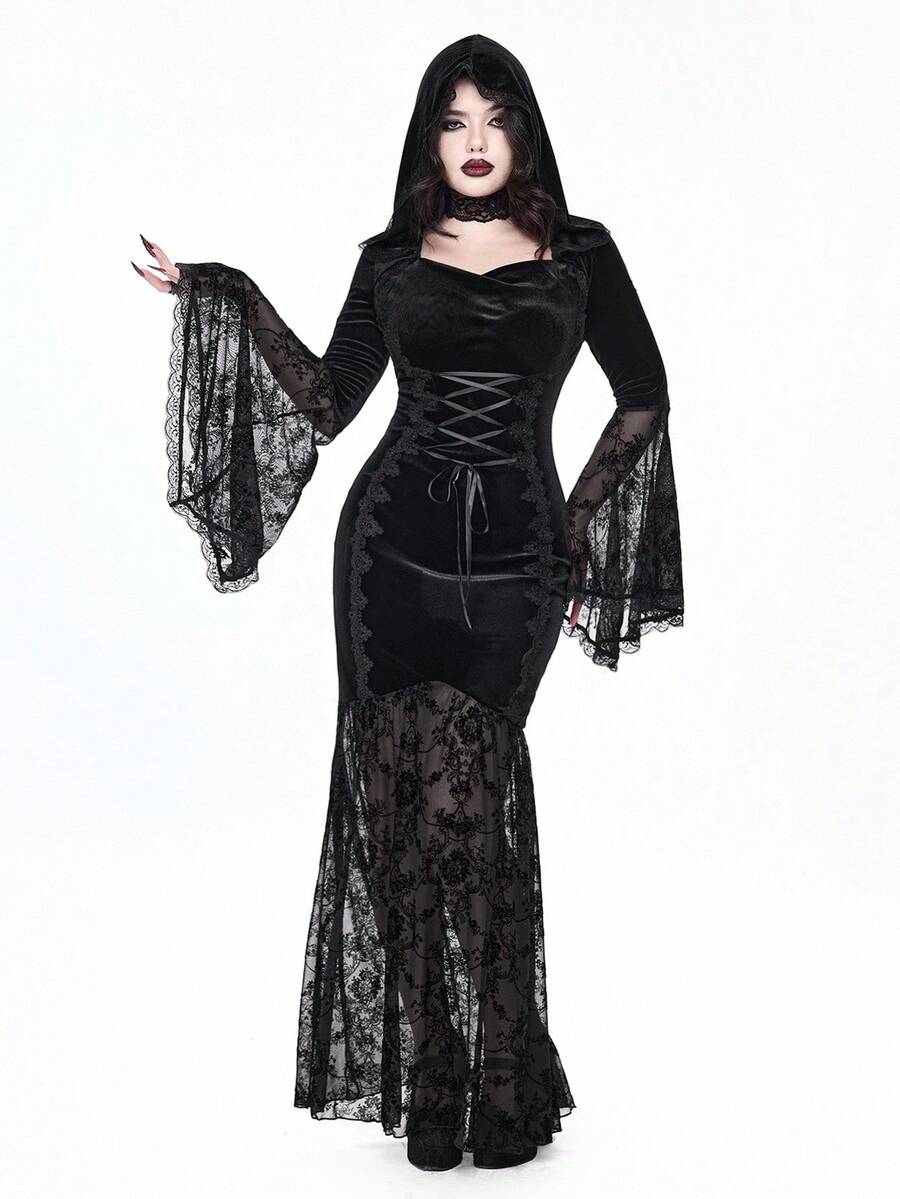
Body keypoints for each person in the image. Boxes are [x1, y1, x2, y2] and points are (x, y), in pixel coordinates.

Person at [133, 32, 683, 1173]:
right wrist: (226, 294)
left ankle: (503, 1072)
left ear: (524, 132)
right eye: (454, 121)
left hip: (517, 563)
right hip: (388, 552)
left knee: (468, 812)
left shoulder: (581, 252)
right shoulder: (392, 257)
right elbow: (329, 400)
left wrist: (575, 524)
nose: (475, 141)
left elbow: (643, 394)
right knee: (393, 817)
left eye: (495, 119)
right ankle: (432, 1065)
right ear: (428, 138)